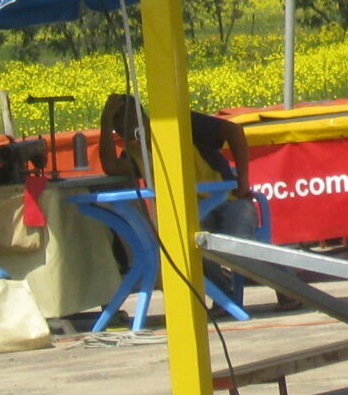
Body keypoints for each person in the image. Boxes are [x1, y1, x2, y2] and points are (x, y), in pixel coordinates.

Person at [98, 94, 261, 296]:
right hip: (191, 211)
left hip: (229, 198)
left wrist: (243, 178)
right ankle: (224, 297)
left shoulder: (180, 122)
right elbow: (112, 167)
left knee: (241, 243)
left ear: (139, 112)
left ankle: (287, 285)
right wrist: (105, 123)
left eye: (125, 117)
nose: (123, 126)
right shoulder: (136, 151)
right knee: (191, 243)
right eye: (117, 123)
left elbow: (233, 131)